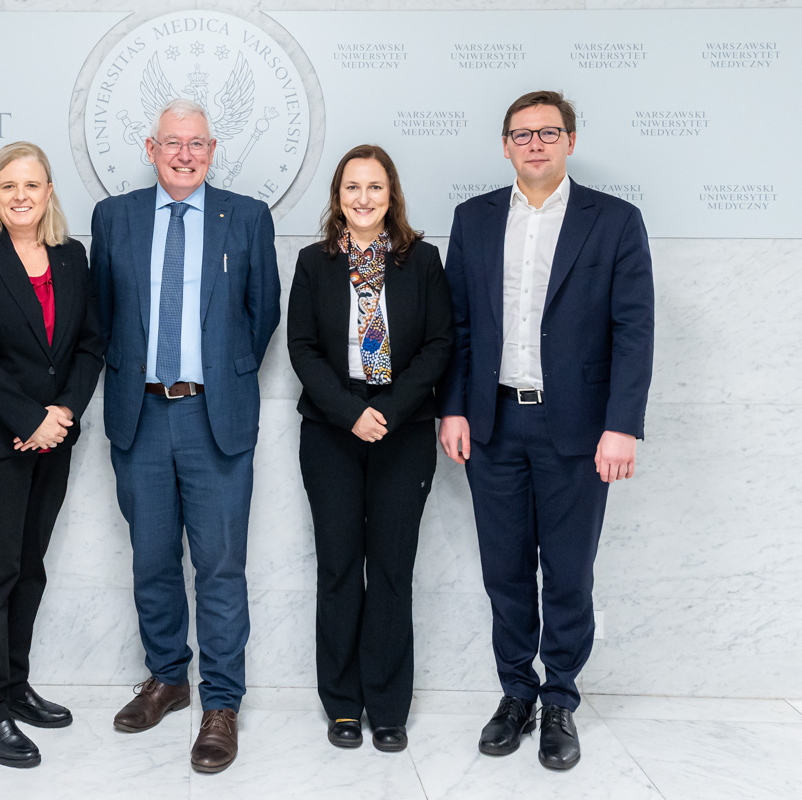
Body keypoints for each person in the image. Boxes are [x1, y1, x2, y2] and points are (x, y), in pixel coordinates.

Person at [436, 90, 654, 770]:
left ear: (570, 141)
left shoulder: (615, 221)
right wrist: (454, 407)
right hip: (494, 423)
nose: (534, 144)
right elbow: (459, 326)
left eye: (548, 132)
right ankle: (515, 695)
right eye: (521, 134)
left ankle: (559, 698)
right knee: (504, 572)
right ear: (505, 145)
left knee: (566, 574)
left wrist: (622, 426)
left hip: (579, 432)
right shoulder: (472, 220)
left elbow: (634, 330)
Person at [90, 98, 280, 773]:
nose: (185, 154)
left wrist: (217, 377)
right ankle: (168, 678)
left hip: (214, 417)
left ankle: (221, 704)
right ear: (150, 148)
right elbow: (105, 316)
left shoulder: (248, 218)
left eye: (197, 143)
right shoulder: (114, 218)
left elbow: (262, 317)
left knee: (222, 566)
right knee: (151, 559)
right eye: (173, 142)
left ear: (212, 148)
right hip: (139, 416)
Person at [0, 142, 104, 769]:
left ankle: (14, 683)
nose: (20, 196)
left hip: (52, 438)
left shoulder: (71, 257)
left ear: (49, 192)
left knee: (29, 566)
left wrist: (60, 415)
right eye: (7, 186)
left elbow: (90, 346)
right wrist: (27, 418)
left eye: (31, 185)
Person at [287, 145, 452, 752]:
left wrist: (387, 410)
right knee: (337, 570)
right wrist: (352, 412)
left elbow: (439, 345)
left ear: (392, 196)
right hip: (332, 429)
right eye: (352, 188)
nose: (363, 199)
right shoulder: (313, 262)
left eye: (374, 188)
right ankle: (342, 706)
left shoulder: (422, 261)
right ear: (338, 197)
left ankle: (387, 706)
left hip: (402, 428)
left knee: (389, 569)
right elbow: (301, 346)